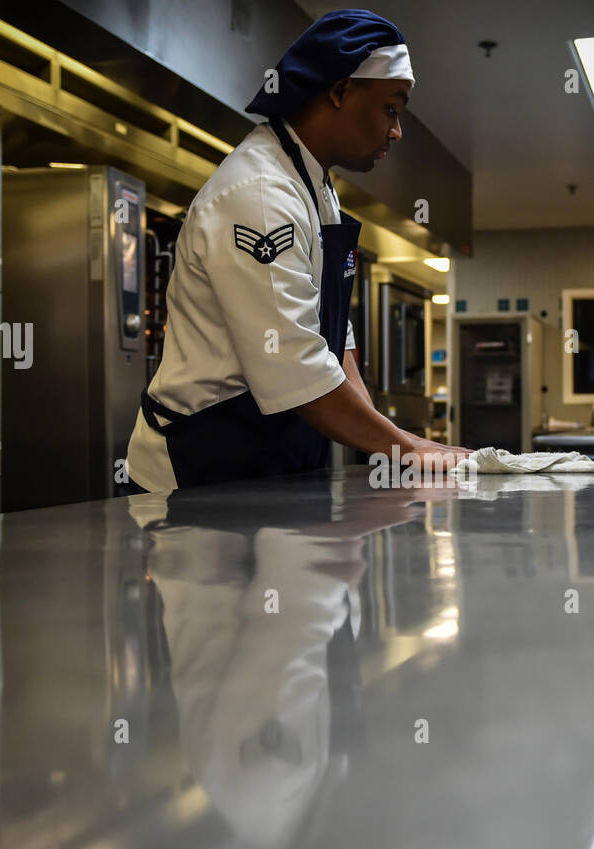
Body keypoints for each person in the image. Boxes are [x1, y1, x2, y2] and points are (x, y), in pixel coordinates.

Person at [124, 9, 468, 494]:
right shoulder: (262, 193)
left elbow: (332, 338)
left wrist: (401, 444)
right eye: (392, 109)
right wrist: (405, 450)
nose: (397, 131)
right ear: (341, 91)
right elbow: (295, 363)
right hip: (199, 467)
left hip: (270, 462)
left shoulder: (316, 188)